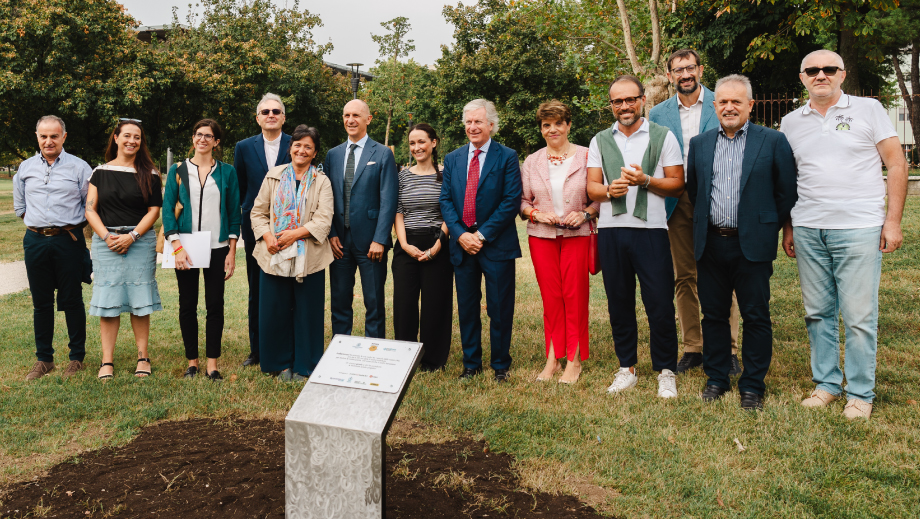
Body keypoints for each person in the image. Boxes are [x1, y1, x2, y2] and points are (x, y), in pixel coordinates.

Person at [780, 50, 908, 420]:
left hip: (858, 227)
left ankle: (861, 393)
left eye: (829, 69)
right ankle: (826, 385)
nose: (821, 75)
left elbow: (896, 163)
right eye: (813, 70)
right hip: (808, 228)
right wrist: (789, 226)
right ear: (802, 77)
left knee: (858, 315)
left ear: (842, 74)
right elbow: (789, 181)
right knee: (818, 313)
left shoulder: (869, 110)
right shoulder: (790, 122)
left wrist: (893, 221)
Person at [687, 75, 798, 411]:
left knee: (755, 316)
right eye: (723, 102)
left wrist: (763, 226)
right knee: (714, 315)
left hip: (753, 245)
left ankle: (752, 385)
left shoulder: (773, 141)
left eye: (737, 101)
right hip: (711, 244)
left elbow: (786, 192)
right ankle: (717, 378)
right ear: (714, 106)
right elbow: (695, 191)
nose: (729, 107)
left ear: (750, 105)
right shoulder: (700, 143)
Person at [586, 76, 685, 398]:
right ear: (611, 105)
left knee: (658, 303)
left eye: (630, 99)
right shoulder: (599, 140)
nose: (624, 106)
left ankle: (666, 370)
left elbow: (677, 183)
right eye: (618, 101)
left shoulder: (662, 136)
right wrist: (607, 191)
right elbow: (592, 188)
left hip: (652, 231)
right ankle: (626, 367)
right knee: (619, 302)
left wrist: (645, 180)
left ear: (642, 100)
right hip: (612, 233)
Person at [649, 49, 743, 375]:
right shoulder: (658, 114)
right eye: (679, 70)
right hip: (676, 201)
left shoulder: (723, 103)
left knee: (721, 274)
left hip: (716, 199)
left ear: (701, 69)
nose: (686, 74)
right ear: (670, 75)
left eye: (690, 68)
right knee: (684, 276)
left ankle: (729, 349)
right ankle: (693, 347)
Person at [440, 99, 522, 383]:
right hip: (462, 246)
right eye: (468, 122)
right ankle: (471, 364)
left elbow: (511, 201)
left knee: (500, 307)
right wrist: (462, 235)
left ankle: (500, 364)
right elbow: (446, 200)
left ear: (491, 125)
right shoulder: (452, 159)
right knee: (467, 307)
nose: (472, 127)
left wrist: (482, 235)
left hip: (496, 244)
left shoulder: (507, 156)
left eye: (478, 122)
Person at [520, 101, 599, 384]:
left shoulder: (588, 156)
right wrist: (537, 213)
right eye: (546, 125)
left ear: (568, 125)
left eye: (558, 123)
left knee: (574, 297)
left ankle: (574, 360)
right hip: (541, 238)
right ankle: (553, 358)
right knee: (551, 297)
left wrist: (586, 213)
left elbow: (599, 196)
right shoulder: (531, 161)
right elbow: (523, 201)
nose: (552, 129)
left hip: (577, 236)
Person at [250, 125, 334, 380]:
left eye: (308, 146)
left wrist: (294, 234)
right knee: (274, 311)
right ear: (290, 148)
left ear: (315, 153)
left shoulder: (322, 181)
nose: (302, 150)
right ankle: (279, 364)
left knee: (307, 313)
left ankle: (304, 365)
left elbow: (324, 219)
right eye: (297, 145)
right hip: (273, 253)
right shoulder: (274, 176)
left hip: (309, 256)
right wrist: (268, 237)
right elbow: (258, 212)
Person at [14, 115, 92, 381]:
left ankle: (76, 358)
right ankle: (44, 359)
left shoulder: (80, 168)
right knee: (41, 302)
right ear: (37, 137)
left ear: (63, 137)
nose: (48, 141)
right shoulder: (24, 168)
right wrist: (41, 228)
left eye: (54, 136)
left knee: (71, 299)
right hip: (35, 241)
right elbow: (21, 207)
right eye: (43, 136)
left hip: (67, 240)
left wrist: (60, 229)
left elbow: (89, 207)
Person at [162, 119, 241, 381]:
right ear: (193, 138)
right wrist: (177, 247)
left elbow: (233, 213)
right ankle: (192, 363)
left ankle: (212, 364)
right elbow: (168, 211)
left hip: (217, 247)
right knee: (188, 304)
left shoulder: (227, 172)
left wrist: (231, 252)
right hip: (185, 246)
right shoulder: (178, 170)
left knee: (215, 305)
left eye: (209, 136)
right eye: (199, 135)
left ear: (216, 142)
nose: (203, 139)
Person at [85, 119, 162, 379]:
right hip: (106, 242)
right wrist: (107, 237)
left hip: (139, 242)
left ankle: (143, 357)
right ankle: (107, 361)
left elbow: (154, 211)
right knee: (108, 300)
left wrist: (132, 236)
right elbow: (90, 209)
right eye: (126, 135)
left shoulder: (150, 173)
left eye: (137, 137)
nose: (132, 141)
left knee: (140, 300)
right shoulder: (99, 172)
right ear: (116, 138)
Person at [324, 99, 398, 339]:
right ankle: (340, 350)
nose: (350, 120)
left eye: (356, 115)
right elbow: (328, 198)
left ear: (368, 119)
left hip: (371, 242)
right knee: (340, 301)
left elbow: (389, 200)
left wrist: (380, 239)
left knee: (374, 302)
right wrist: (331, 234)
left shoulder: (383, 153)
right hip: (339, 243)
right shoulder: (332, 155)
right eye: (346, 115)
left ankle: (373, 353)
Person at [234, 93, 292, 367]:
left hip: (290, 225)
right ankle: (257, 349)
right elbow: (241, 188)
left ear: (283, 117)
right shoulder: (244, 147)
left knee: (288, 284)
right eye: (266, 111)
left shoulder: (296, 144)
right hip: (254, 226)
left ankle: (287, 344)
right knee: (257, 285)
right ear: (258, 118)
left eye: (276, 111)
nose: (271, 115)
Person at [392, 123, 453, 371]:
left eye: (421, 142)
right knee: (404, 304)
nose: (417, 147)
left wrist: (439, 243)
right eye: (412, 143)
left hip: (437, 241)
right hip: (407, 243)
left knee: (435, 304)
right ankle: (405, 358)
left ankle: (432, 360)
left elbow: (451, 209)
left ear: (433, 143)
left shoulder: (446, 173)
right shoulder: (403, 176)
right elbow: (398, 211)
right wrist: (404, 244)